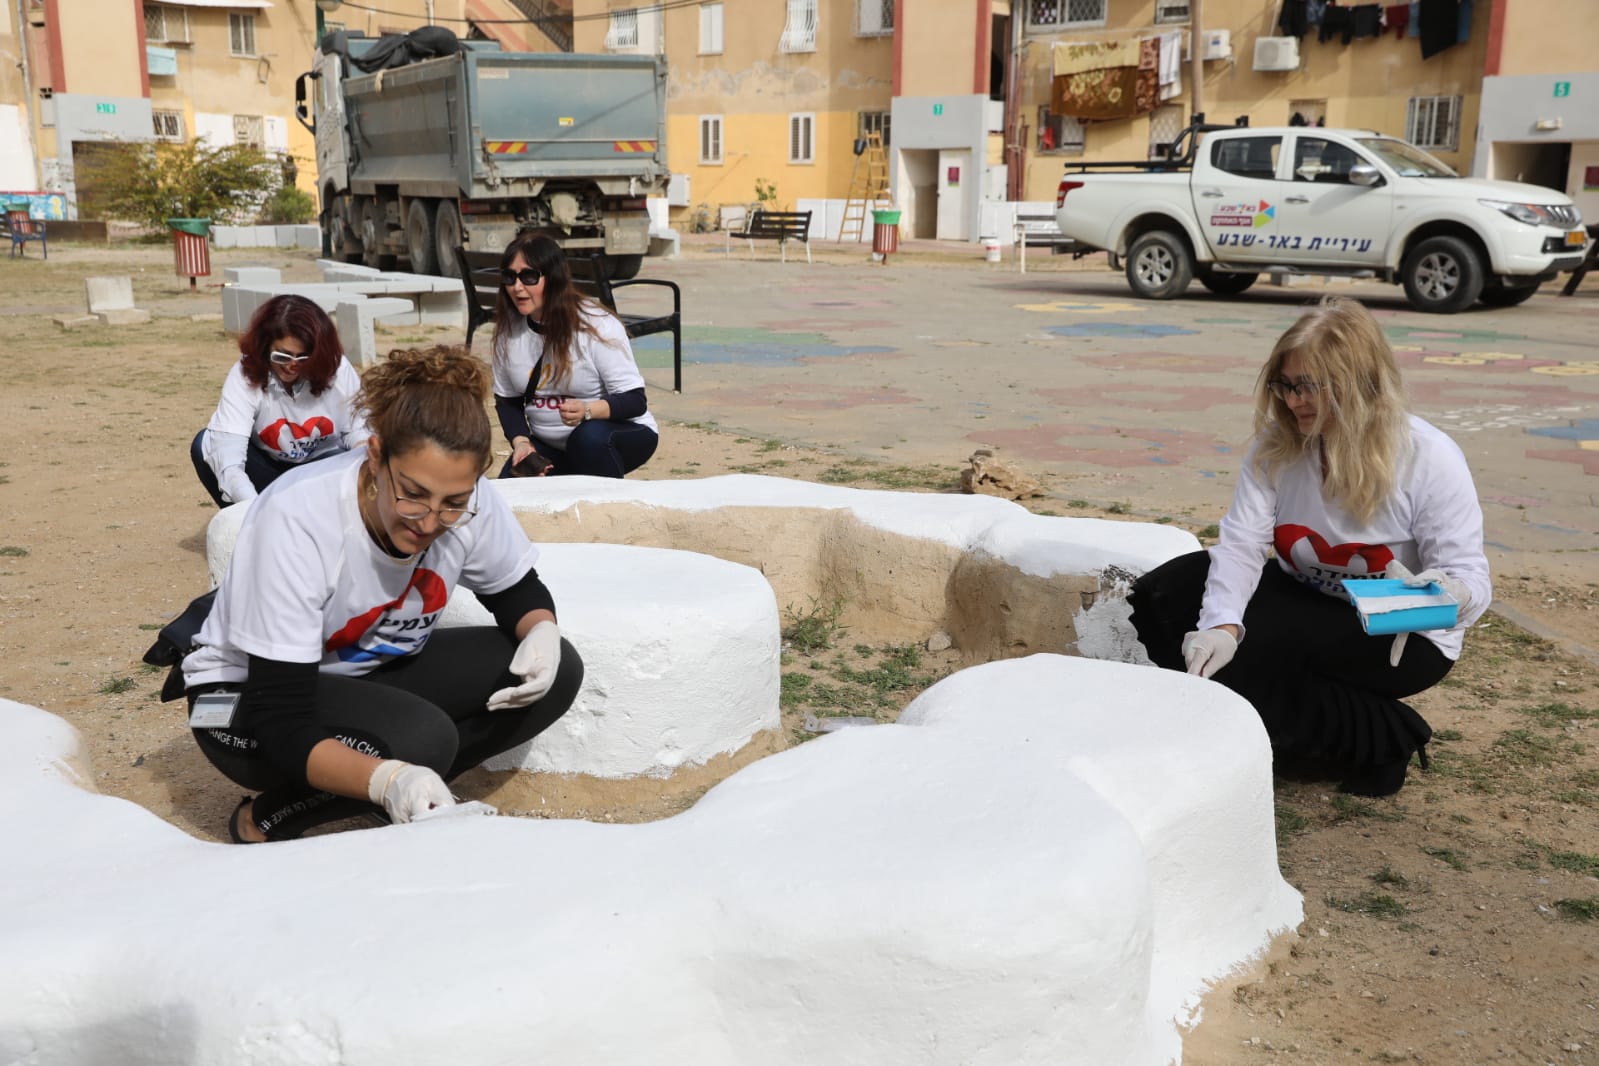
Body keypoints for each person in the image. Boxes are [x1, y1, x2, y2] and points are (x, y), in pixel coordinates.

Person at [181, 345, 585, 842]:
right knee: (423, 740)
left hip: (359, 675)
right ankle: (268, 818)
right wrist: (389, 779)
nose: (430, 522)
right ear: (375, 456)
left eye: (453, 503)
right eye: (412, 494)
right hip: (243, 702)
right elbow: (280, 718)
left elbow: (516, 590)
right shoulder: (297, 518)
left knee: (558, 671)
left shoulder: (468, 498)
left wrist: (541, 629)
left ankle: (400, 788)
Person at [1127, 296, 1491, 797]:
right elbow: (1242, 544)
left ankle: (1386, 738)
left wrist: (1450, 592)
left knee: (1264, 638)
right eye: (1284, 384)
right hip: (1309, 598)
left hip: (1400, 632)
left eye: (1308, 386)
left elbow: (1472, 578)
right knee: (1171, 592)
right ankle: (1291, 743)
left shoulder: (1429, 457)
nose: (1292, 400)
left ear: (1357, 383)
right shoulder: (1277, 446)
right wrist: (1222, 626)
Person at [490, 232, 659, 479]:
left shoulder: (596, 325)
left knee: (588, 439)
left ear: (554, 278)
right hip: (550, 446)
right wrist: (522, 443)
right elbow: (508, 402)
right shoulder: (507, 332)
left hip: (615, 432)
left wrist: (587, 410)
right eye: (509, 277)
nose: (517, 287)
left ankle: (608, 499)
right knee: (509, 487)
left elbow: (635, 401)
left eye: (528, 277)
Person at [191, 294, 368, 507]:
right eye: (282, 356)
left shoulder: (337, 369)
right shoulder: (245, 374)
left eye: (303, 358)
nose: (292, 365)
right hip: (269, 469)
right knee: (205, 444)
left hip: (322, 468)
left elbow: (358, 430)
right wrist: (254, 513)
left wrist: (362, 460)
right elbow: (229, 458)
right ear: (265, 347)